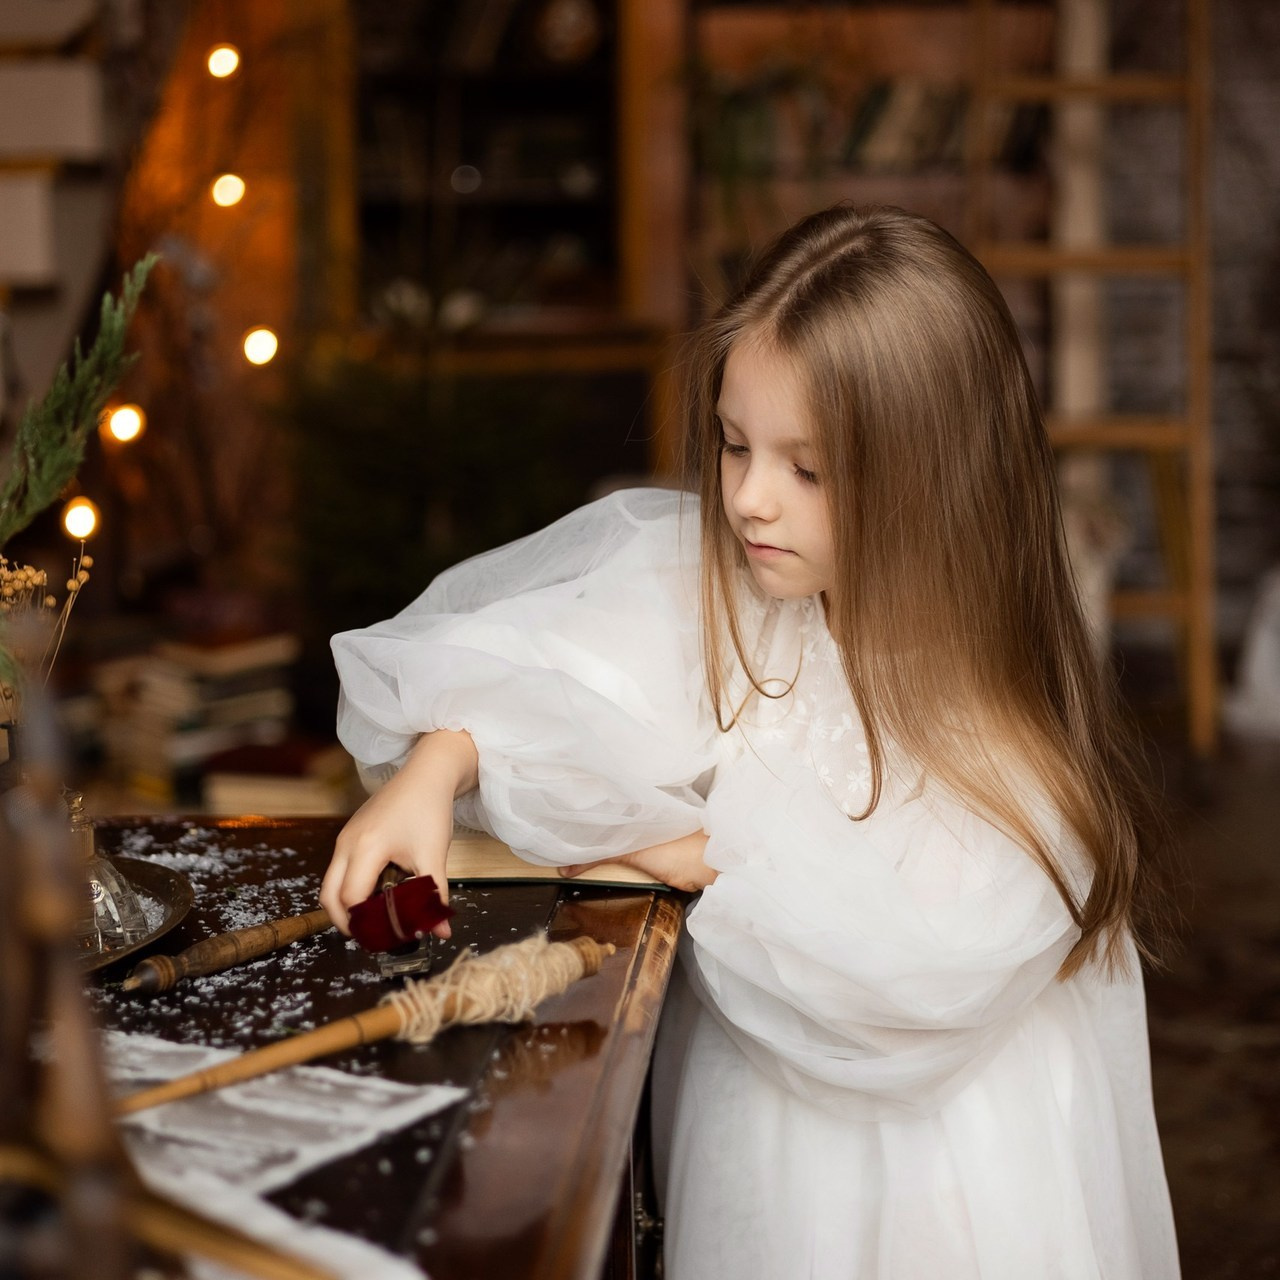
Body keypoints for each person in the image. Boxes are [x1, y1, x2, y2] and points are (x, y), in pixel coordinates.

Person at [321, 204, 1179, 1278]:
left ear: (931, 477)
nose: (747, 498)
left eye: (806, 469)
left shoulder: (992, 724)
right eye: (732, 444)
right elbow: (546, 662)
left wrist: (667, 856)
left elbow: (889, 984)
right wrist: (440, 761)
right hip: (756, 1146)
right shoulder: (743, 594)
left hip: (941, 1185)